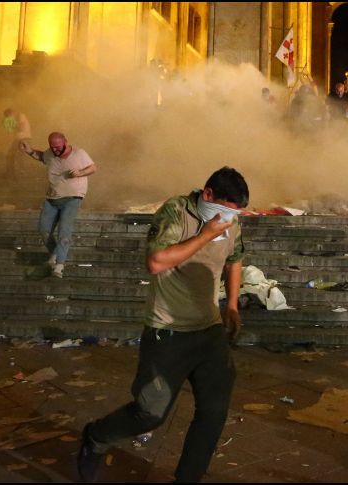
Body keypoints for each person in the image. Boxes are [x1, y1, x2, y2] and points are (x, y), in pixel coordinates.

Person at [77, 167, 249, 483]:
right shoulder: (176, 210)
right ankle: (96, 437)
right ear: (208, 195)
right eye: (224, 210)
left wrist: (233, 305)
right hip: (168, 332)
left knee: (213, 413)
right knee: (149, 413)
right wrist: (205, 235)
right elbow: (156, 262)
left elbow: (235, 257)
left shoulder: (231, 222)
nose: (228, 218)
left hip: (209, 330)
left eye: (234, 214)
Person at [20, 132, 97, 278]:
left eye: (58, 147)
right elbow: (42, 156)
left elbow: (93, 168)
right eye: (52, 147)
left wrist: (80, 173)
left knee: (64, 231)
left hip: (73, 198)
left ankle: (59, 266)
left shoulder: (79, 153)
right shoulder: (50, 153)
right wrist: (29, 151)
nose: (55, 150)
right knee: (44, 230)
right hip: (52, 198)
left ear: (65, 142)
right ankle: (55, 254)